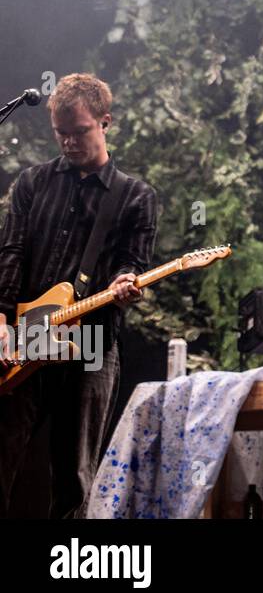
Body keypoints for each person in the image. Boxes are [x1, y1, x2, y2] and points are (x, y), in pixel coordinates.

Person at [0, 74, 158, 518]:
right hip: (26, 332)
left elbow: (134, 262)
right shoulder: (32, 183)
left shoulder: (135, 197)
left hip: (91, 338)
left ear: (105, 122)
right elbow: (10, 253)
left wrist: (126, 283)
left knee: (73, 476)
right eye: (60, 133)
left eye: (80, 132)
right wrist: (0, 322)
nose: (69, 143)